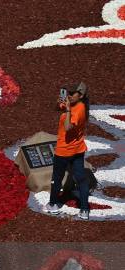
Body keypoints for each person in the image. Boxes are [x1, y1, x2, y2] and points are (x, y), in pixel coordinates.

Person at [44, 82, 90, 220]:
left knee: (57, 179)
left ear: (80, 95)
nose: (68, 95)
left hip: (64, 151)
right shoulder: (75, 104)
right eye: (67, 93)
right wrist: (59, 103)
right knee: (81, 178)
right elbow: (58, 108)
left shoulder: (79, 109)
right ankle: (84, 210)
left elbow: (68, 127)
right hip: (77, 150)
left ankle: (53, 205)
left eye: (72, 93)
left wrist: (68, 109)